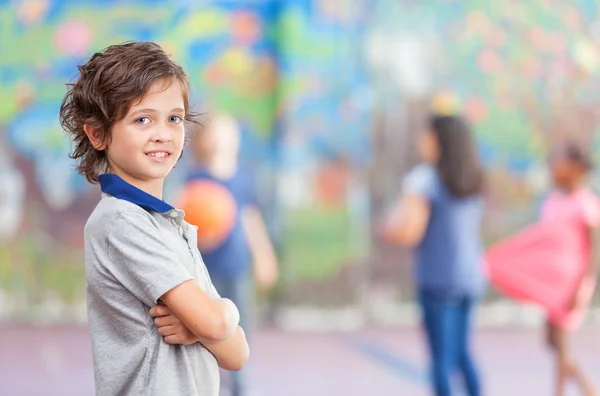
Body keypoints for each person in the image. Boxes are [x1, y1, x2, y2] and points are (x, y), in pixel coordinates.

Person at [59, 41, 249, 396]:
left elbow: (237, 355)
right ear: (98, 134)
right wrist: (223, 315)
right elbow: (215, 324)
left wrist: (204, 326)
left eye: (173, 118)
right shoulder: (121, 222)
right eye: (142, 119)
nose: (162, 133)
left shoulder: (171, 224)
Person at [381, 114, 486, 396]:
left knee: (441, 358)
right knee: (462, 354)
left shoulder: (424, 180)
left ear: (438, 140)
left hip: (439, 280)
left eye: (425, 134)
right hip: (470, 277)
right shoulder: (472, 178)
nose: (420, 140)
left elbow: (410, 231)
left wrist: (389, 228)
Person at [186, 113, 279, 396]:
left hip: (237, 269)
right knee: (206, 330)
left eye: (226, 133)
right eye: (214, 133)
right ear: (203, 140)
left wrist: (264, 257)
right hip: (206, 270)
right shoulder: (196, 178)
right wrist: (200, 239)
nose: (220, 139)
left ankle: (240, 386)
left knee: (240, 328)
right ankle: (207, 384)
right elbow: (186, 219)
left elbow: (251, 220)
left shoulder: (242, 179)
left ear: (235, 140)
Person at [541, 142, 598, 396]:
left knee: (562, 345)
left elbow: (595, 249)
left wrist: (584, 283)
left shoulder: (585, 203)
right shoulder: (554, 200)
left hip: (572, 282)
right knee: (552, 341)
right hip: (551, 282)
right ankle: (588, 389)